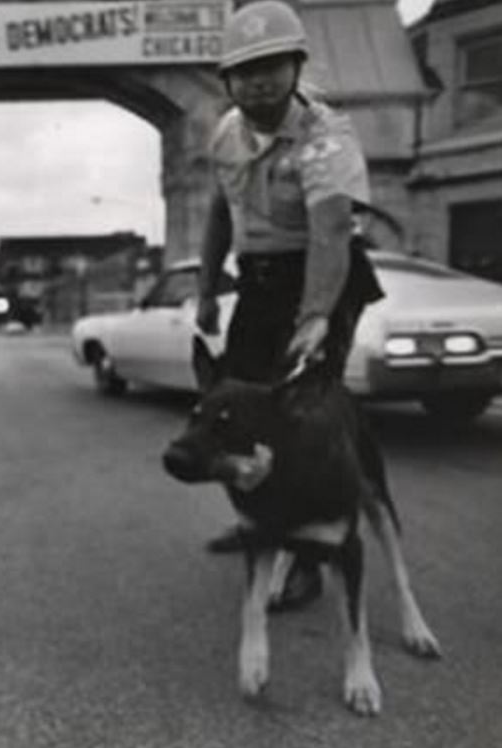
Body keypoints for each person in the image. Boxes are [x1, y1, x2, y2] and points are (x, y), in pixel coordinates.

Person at [195, 0, 385, 610]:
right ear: (227, 79)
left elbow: (331, 232)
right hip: (258, 280)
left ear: (297, 65)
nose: (259, 81)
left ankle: (309, 557)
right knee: (239, 400)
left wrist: (316, 318)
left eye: (273, 65)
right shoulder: (225, 130)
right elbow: (220, 210)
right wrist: (204, 290)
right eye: (245, 70)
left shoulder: (327, 137)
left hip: (321, 277)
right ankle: (260, 520)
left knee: (304, 414)